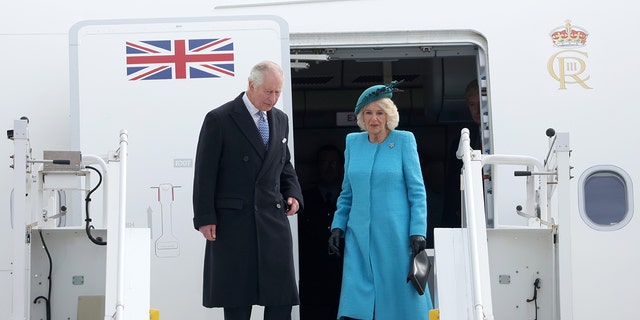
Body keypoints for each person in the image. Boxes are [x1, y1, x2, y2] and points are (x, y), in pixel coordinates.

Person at [192, 60, 304, 320]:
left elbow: (283, 163)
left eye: (278, 92)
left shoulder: (280, 119)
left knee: (280, 300)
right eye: (268, 91)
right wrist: (205, 217)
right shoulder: (219, 118)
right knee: (237, 300)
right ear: (251, 85)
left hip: (272, 219)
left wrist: (293, 194)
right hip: (234, 222)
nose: (273, 98)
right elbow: (204, 173)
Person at [327, 81, 434, 319]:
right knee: (357, 304)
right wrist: (338, 226)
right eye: (368, 113)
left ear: (388, 115)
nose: (373, 119)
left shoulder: (404, 141)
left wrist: (418, 232)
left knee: (402, 302)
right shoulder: (353, 143)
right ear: (361, 117)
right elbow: (347, 193)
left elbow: (417, 192)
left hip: (395, 237)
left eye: (379, 112)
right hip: (359, 239)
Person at [298, 144, 344, 320]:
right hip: (313, 279)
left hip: (344, 277)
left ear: (341, 166)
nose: (329, 167)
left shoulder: (350, 198)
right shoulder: (304, 199)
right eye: (324, 163)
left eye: (333, 163)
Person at [442, 79, 482, 229]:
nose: (477, 111)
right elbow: (452, 186)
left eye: (480, 104)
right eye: (472, 105)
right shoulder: (461, 140)